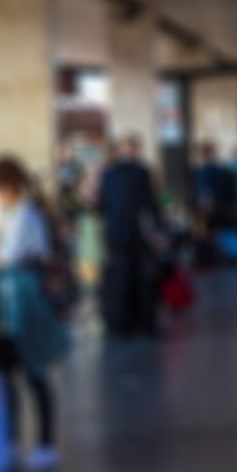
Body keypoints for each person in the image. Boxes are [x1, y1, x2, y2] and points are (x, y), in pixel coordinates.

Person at [0, 156, 69, 470]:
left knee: (31, 373)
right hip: (15, 301)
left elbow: (7, 257)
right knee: (12, 373)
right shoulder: (17, 214)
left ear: (7, 186)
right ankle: (14, 440)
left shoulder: (24, 217)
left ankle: (43, 443)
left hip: (25, 302)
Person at [97, 136, 162, 336]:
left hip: (114, 234)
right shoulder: (141, 172)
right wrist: (157, 231)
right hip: (136, 236)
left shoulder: (108, 174)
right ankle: (142, 321)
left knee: (118, 279)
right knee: (140, 279)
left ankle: (119, 323)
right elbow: (149, 206)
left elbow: (102, 205)